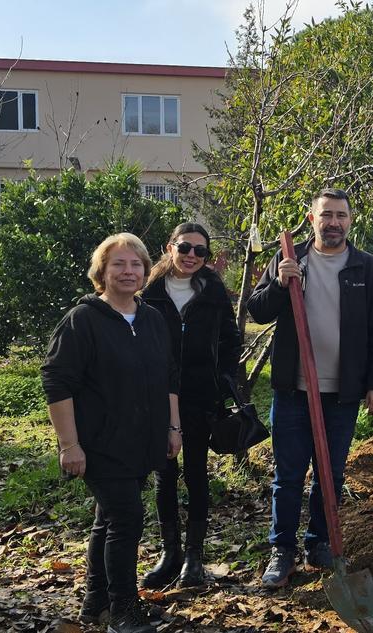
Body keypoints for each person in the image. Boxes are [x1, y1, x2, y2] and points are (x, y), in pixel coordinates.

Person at [247, 188, 373, 588]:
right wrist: (280, 284)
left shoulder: (367, 269)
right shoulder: (290, 260)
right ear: (312, 220)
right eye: (326, 214)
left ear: (350, 221)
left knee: (330, 473)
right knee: (289, 474)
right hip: (293, 391)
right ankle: (282, 549)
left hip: (342, 393)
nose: (333, 222)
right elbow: (256, 311)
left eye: (341, 215)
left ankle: (318, 544)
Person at [42, 233, 181, 633]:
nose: (128, 271)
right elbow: (57, 382)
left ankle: (95, 603)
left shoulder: (152, 318)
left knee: (109, 519)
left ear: (145, 270)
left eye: (135, 264)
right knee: (126, 518)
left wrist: (173, 427)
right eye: (118, 264)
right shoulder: (82, 320)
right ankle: (123, 609)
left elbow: (168, 377)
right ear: (101, 271)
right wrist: (69, 444)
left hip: (144, 442)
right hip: (99, 445)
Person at [141, 223, 241, 588]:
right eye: (185, 248)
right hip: (156, 396)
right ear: (170, 247)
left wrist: (223, 380)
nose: (192, 256)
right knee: (164, 474)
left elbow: (231, 339)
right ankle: (170, 553)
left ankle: (194, 558)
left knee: (196, 473)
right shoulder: (149, 291)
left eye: (201, 251)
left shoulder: (212, 289)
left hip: (200, 397)